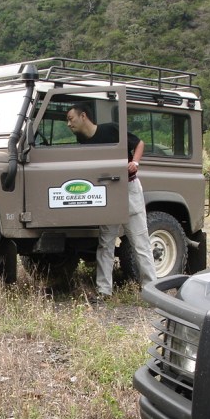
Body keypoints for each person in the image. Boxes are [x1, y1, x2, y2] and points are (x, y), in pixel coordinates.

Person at [66, 103, 156, 299]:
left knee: (140, 242)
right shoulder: (81, 140)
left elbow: (139, 143)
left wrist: (135, 162)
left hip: (128, 189)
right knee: (105, 243)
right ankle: (104, 291)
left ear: (83, 116)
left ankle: (152, 290)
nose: (68, 124)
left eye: (70, 119)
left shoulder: (111, 129)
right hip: (106, 194)